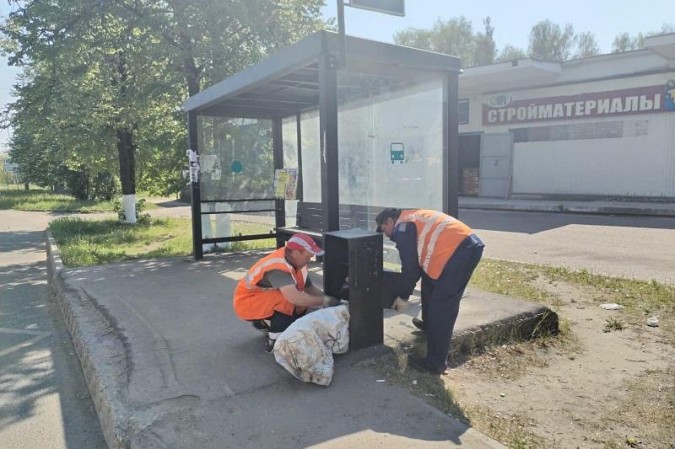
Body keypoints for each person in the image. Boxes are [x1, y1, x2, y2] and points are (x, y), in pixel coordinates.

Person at [375, 208, 484, 374]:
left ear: (390, 221)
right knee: (428, 283)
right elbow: (418, 268)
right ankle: (428, 325)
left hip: (460, 251)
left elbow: (411, 270)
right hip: (461, 246)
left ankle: (435, 363)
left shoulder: (403, 227)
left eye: (383, 229)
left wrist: (403, 297)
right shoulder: (409, 218)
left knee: (443, 307)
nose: (385, 234)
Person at [233, 233, 340, 351]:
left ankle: (266, 324)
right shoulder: (278, 268)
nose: (310, 259)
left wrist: (330, 302)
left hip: (260, 299)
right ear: (296, 253)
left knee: (299, 300)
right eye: (308, 256)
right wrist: (324, 301)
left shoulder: (296, 262)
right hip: (247, 304)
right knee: (288, 301)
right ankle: (277, 343)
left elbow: (309, 288)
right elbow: (295, 298)